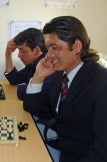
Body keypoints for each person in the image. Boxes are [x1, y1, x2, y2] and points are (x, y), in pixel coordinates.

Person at [23, 16, 107, 162]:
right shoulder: (59, 75)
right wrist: (38, 76)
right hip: (59, 145)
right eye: (48, 48)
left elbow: (102, 149)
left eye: (55, 48)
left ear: (76, 46)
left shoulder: (101, 83)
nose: (49, 55)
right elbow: (33, 108)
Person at [4, 28, 51, 100]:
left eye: (23, 51)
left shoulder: (47, 64)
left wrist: (23, 87)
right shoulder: (32, 63)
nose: (19, 55)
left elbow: (30, 93)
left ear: (37, 50)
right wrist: (8, 55)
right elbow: (15, 79)